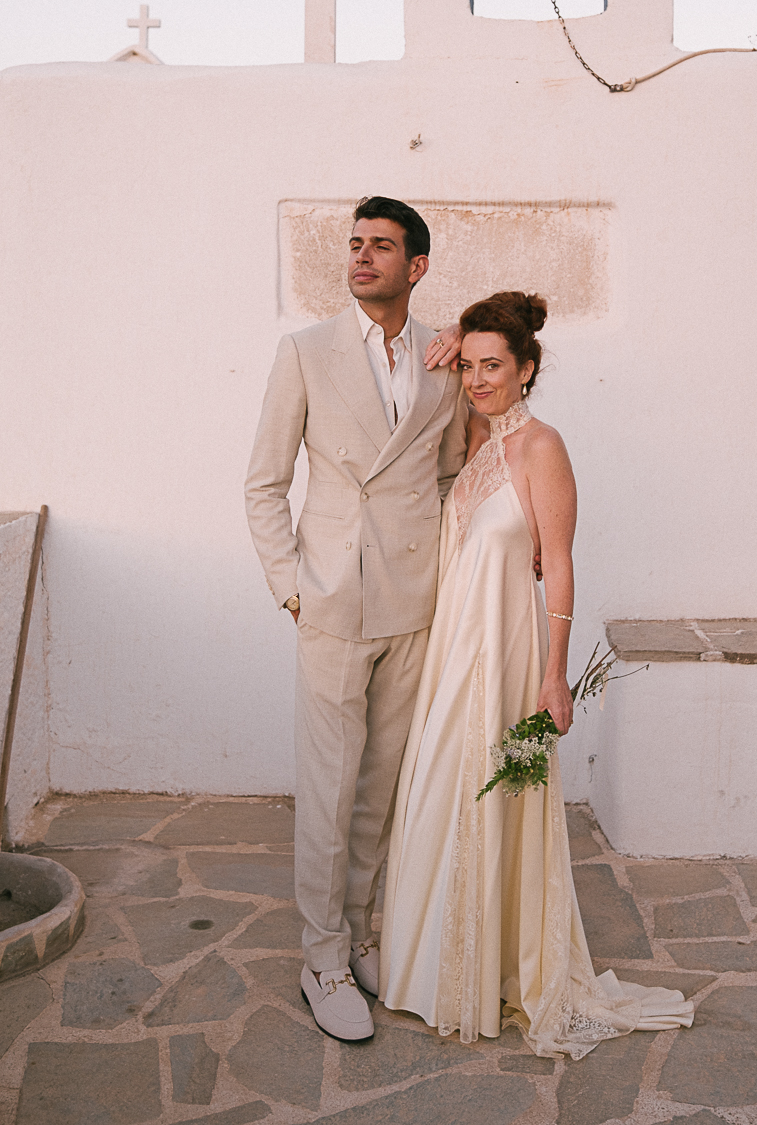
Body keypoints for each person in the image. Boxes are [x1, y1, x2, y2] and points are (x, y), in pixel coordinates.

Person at [380, 292, 693, 1058]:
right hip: (455, 647)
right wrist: (455, 332)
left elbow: (559, 564)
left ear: (527, 370)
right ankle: (436, 971)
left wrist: (555, 676)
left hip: (508, 653)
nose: (480, 378)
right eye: (472, 365)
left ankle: (488, 971)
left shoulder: (541, 447)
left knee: (490, 800)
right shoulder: (480, 443)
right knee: (437, 796)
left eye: (496, 366)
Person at [244, 196, 467, 1042]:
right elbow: (263, 482)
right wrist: (291, 585)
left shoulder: (444, 359)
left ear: (416, 268)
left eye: (381, 247)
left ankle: (365, 931)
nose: (361, 257)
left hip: (413, 598)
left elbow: (446, 476)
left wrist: (445, 574)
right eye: (355, 244)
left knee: (381, 785)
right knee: (330, 791)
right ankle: (322, 957)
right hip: (332, 599)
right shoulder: (305, 352)